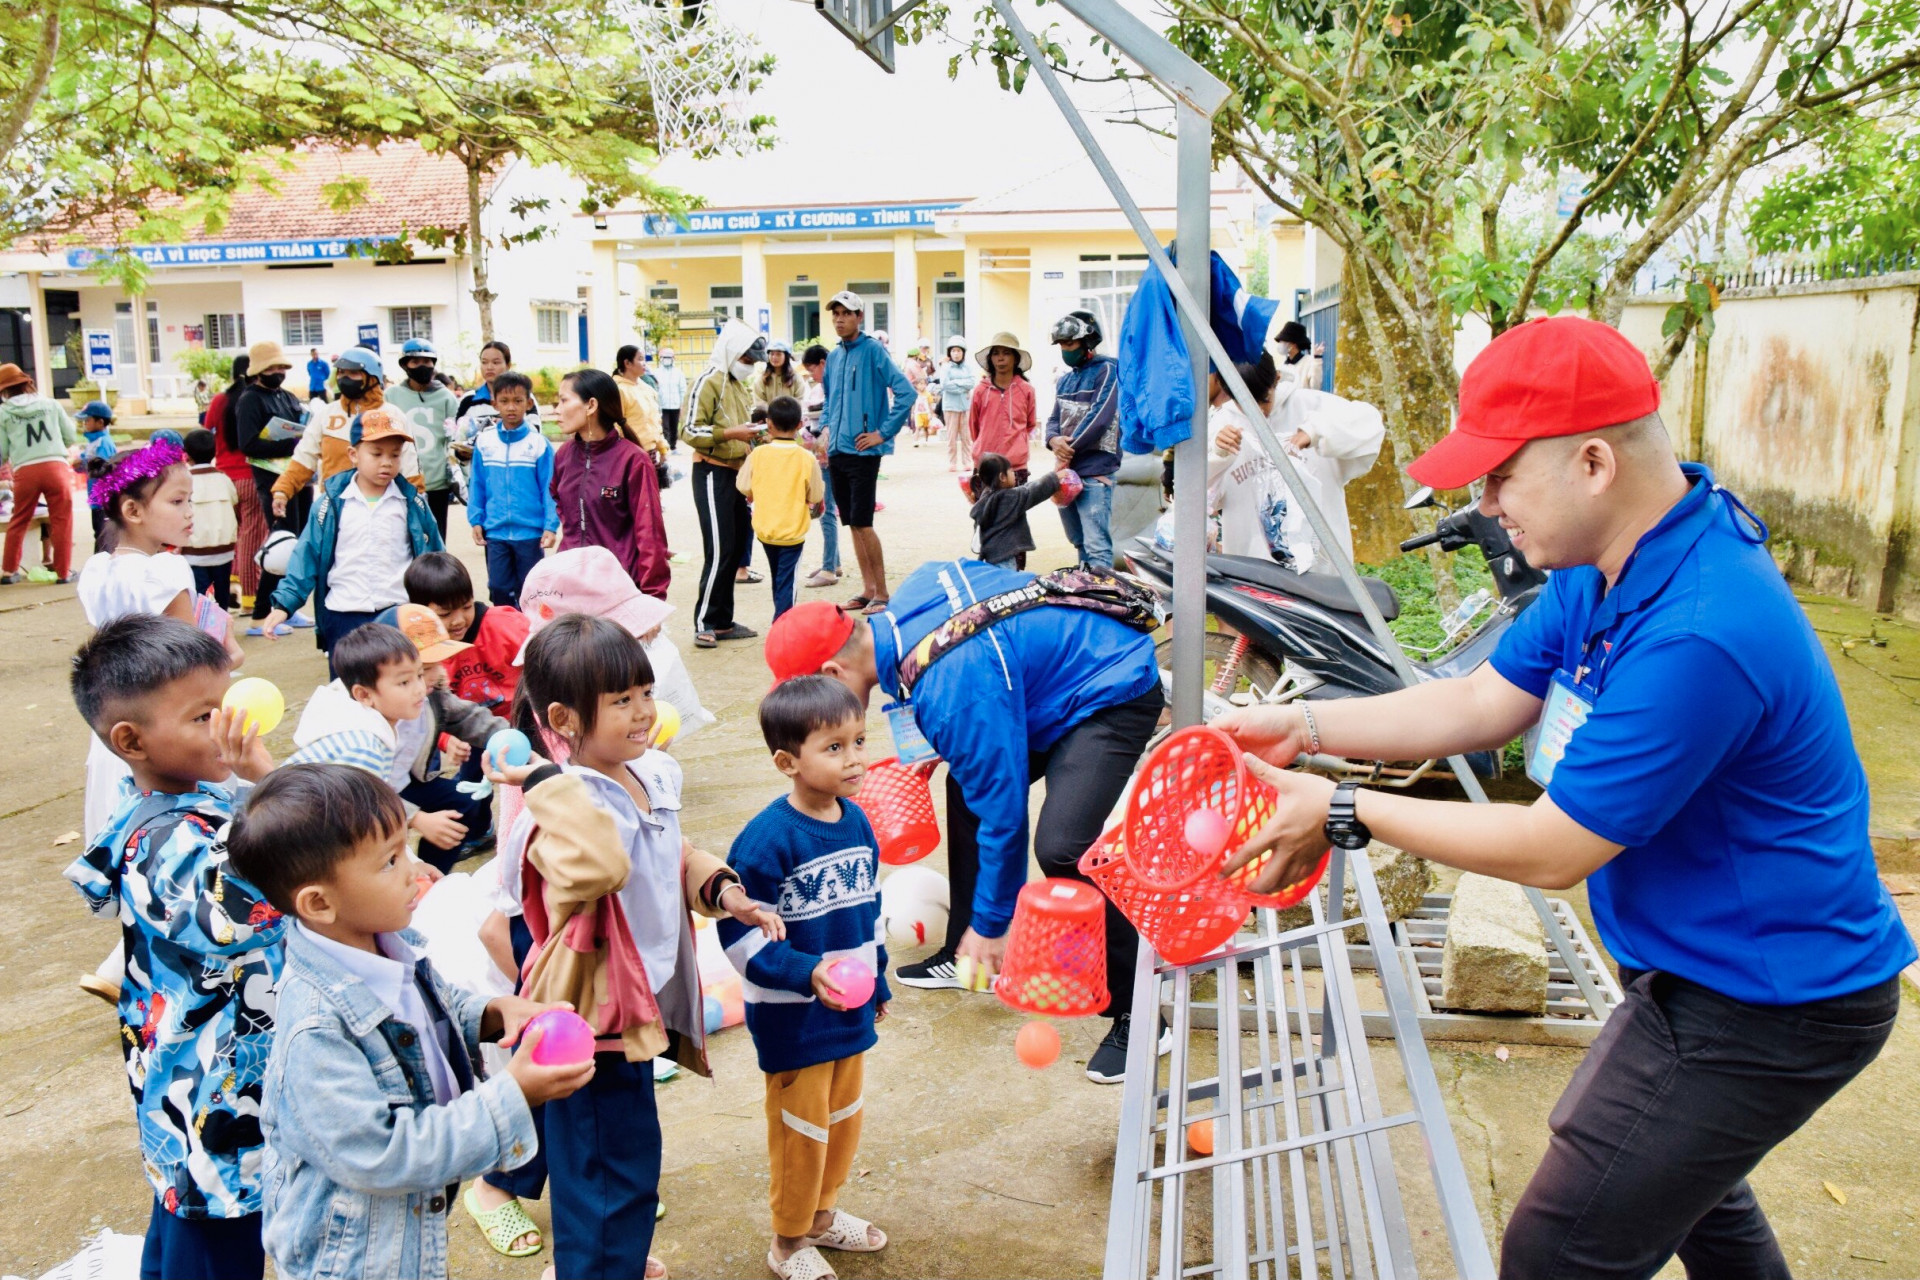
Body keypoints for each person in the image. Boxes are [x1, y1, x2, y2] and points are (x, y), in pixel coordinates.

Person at [1215, 314, 1916, 1279]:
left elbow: (1554, 847)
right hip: (1694, 962)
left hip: (1771, 998)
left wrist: (1344, 810)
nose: (1484, 499)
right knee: (1690, 1196)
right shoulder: (1607, 565)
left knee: (1560, 1247)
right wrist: (1306, 730)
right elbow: (1480, 701)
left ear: (1592, 463)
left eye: (1501, 474)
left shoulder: (1701, 630)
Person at [765, 565, 1165, 1084]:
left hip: (1110, 686)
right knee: (964, 786)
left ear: (833, 674)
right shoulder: (917, 586)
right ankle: (964, 952)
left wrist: (996, 924)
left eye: (810, 700)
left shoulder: (950, 693)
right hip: (1048, 681)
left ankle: (1142, 1008)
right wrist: (964, 739)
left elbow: (1004, 815)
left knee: (1063, 846)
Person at [488, 613, 783, 1280]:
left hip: (639, 1003)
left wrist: (718, 886)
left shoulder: (647, 772)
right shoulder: (559, 813)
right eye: (621, 701)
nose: (645, 711)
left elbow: (666, 853)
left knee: (625, 1157)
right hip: (590, 1017)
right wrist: (541, 782)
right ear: (563, 720)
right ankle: (595, 1265)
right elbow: (601, 869)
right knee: (602, 1167)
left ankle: (605, 1259)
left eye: (645, 692)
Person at [226, 762, 591, 1280]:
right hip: (353, 1258)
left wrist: (489, 1013)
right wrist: (515, 1094)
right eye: (389, 862)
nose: (416, 872)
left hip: (401, 1233)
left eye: (406, 849)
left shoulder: (391, 946)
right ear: (319, 903)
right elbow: (381, 1153)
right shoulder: (316, 1028)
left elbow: (432, 1004)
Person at [65, 614, 280, 1280]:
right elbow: (240, 914)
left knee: (181, 1218)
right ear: (131, 740)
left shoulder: (203, 797)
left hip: (202, 1092)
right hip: (212, 1097)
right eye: (203, 716)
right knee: (216, 1237)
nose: (228, 726)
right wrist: (268, 789)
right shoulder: (161, 841)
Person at [722, 675, 891, 1280]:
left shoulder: (858, 824)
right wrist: (804, 972)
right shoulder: (766, 843)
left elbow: (870, 913)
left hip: (848, 1010)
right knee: (800, 1128)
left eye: (859, 741)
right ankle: (788, 1240)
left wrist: (881, 982)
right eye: (835, 747)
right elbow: (739, 938)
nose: (855, 759)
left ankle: (821, 1215)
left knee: (844, 1117)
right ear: (787, 762)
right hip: (794, 1017)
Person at [282, 620, 492, 870]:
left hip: (360, 807)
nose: (419, 689)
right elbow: (364, 821)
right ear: (364, 694)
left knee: (462, 800)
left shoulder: (380, 718)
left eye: (420, 675)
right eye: (405, 682)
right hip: (308, 842)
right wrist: (414, 835)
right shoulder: (364, 746)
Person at [258, 408, 445, 658]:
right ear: (353, 455)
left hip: (398, 614)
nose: (387, 462)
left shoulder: (412, 504)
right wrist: (284, 605)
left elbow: (435, 558)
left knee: (398, 686)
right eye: (376, 454)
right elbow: (306, 557)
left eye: (395, 454)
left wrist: (445, 603)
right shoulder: (329, 505)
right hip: (343, 615)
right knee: (347, 693)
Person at [820, 291, 913, 615]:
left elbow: (906, 392)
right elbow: (830, 399)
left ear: (860, 317)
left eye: (847, 313)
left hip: (863, 452)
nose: (840, 319)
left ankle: (883, 593)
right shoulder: (834, 356)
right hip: (838, 451)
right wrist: (825, 432)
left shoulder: (873, 349)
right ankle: (868, 589)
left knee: (863, 521)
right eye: (836, 314)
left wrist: (882, 433)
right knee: (852, 524)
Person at [551, 367, 669, 599]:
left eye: (564, 401)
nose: (557, 410)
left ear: (591, 405)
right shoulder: (563, 456)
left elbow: (650, 533)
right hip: (572, 585)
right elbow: (561, 503)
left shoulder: (633, 460)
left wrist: (653, 595)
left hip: (620, 587)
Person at [683, 319, 766, 647]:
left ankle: (723, 622)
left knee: (732, 551)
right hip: (711, 473)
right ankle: (704, 622)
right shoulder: (708, 381)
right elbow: (689, 431)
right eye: (747, 360)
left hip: (736, 475)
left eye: (753, 362)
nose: (750, 367)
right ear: (732, 353)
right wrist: (733, 433)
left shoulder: (737, 385)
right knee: (718, 551)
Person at [233, 341, 315, 632]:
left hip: (299, 477)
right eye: (273, 368)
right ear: (259, 370)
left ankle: (285, 607)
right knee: (280, 544)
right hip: (271, 480)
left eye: (282, 367)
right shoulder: (250, 400)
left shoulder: (288, 396)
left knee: (299, 543)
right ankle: (260, 613)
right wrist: (289, 443)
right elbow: (248, 443)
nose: (279, 372)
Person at [467, 371, 557, 607]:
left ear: (528, 403)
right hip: (495, 532)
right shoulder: (485, 442)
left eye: (518, 401)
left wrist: (550, 525)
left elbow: (549, 488)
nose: (511, 408)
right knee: (498, 587)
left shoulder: (538, 444)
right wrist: (476, 519)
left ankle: (530, 636)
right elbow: (476, 484)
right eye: (504, 401)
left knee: (530, 588)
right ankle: (505, 634)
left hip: (530, 534)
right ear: (494, 403)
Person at [402, 551, 528, 711]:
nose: (459, 620)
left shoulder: (508, 625)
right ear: (419, 611)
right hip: (459, 727)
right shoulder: (418, 649)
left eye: (467, 607)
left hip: (518, 720)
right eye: (445, 614)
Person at [1044, 309, 1121, 570]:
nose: (1065, 349)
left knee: (1097, 546)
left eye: (1069, 343)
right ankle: (1087, 597)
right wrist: (1053, 440)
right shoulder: (1065, 381)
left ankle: (1105, 606)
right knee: (1079, 543)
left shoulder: (1108, 370)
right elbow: (1053, 419)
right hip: (1068, 475)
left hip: (1094, 474)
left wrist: (1067, 449)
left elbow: (1100, 416)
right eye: (1061, 345)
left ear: (1088, 342)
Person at [737, 395, 825, 621]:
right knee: (787, 581)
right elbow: (815, 494)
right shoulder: (806, 458)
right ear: (799, 424)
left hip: (766, 530)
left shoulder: (758, 454)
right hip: (793, 532)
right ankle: (783, 626)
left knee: (779, 577)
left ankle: (781, 622)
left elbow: (743, 485)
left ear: (769, 423)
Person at [0, 362, 78, 584]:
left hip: (25, 471)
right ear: (26, 383)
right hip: (56, 467)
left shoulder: (4, 412)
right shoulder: (50, 404)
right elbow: (71, 436)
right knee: (62, 520)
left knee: (19, 519)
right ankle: (63, 573)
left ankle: (8, 571)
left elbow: (2, 451)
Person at [206, 356, 269, 610]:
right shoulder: (256, 400)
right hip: (250, 475)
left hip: (224, 478)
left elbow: (206, 428)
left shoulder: (220, 400)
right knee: (252, 536)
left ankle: (231, 588)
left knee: (234, 534)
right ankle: (251, 598)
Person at [388, 338, 462, 535]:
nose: (422, 366)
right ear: (405, 365)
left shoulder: (446, 397)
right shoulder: (391, 396)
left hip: (438, 482)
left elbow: (455, 439)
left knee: (436, 537)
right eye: (415, 361)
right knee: (404, 539)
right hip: (402, 480)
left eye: (427, 361)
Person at [968, 452, 1060, 571]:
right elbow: (1031, 492)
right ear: (1002, 477)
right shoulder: (1007, 498)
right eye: (1011, 471)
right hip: (1004, 557)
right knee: (1006, 584)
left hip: (990, 555)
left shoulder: (987, 496)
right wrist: (1055, 478)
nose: (1014, 474)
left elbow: (1025, 489)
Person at [181, 429, 240, 609]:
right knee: (221, 595)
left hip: (194, 552)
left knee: (200, 597)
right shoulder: (224, 479)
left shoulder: (185, 480)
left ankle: (203, 633)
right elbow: (235, 506)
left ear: (186, 456)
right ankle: (221, 631)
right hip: (224, 550)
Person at [798, 345, 842, 589]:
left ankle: (828, 568)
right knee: (828, 509)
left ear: (823, 363)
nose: (811, 374)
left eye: (812, 368)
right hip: (822, 454)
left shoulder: (832, 387)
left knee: (826, 511)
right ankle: (833, 562)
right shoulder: (822, 388)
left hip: (829, 456)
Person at [968, 334, 1037, 485]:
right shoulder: (980, 391)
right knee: (985, 508)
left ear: (1016, 358)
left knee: (1015, 508)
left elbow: (1030, 424)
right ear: (990, 359)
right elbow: (974, 427)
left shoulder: (1026, 390)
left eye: (1006, 353)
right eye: (996, 353)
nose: (1001, 358)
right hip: (985, 464)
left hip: (1016, 466)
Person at [456, 341, 543, 445]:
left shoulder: (524, 397)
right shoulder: (468, 400)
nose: (489, 367)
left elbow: (535, 433)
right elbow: (457, 437)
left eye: (496, 362)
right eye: (484, 362)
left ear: (508, 365)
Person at [614, 344, 669, 460]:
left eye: (644, 359)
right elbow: (615, 427)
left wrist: (662, 448)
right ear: (627, 363)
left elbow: (655, 421)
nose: (644, 363)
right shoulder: (619, 390)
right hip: (629, 455)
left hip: (650, 452)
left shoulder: (647, 388)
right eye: (640, 359)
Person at [934, 335, 977, 472]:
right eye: (953, 351)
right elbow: (945, 385)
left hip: (965, 406)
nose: (956, 354)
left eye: (959, 351)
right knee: (951, 436)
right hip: (950, 406)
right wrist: (962, 386)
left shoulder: (968, 367)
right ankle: (952, 462)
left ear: (963, 352)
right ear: (949, 353)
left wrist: (956, 384)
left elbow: (971, 383)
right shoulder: (946, 367)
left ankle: (967, 461)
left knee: (966, 436)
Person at [654, 345, 687, 451]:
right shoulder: (657, 373)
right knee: (665, 427)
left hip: (676, 405)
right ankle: (666, 447)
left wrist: (683, 405)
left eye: (669, 357)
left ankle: (673, 446)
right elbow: (655, 390)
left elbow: (683, 389)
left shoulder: (679, 373)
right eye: (665, 357)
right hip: (662, 406)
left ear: (673, 359)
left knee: (674, 427)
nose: (667, 360)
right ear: (661, 359)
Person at [1272, 320, 1320, 390]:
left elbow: (1315, 387)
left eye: (1283, 341)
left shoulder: (1309, 362)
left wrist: (1317, 359)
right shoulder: (1282, 366)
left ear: (1293, 344)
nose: (1280, 344)